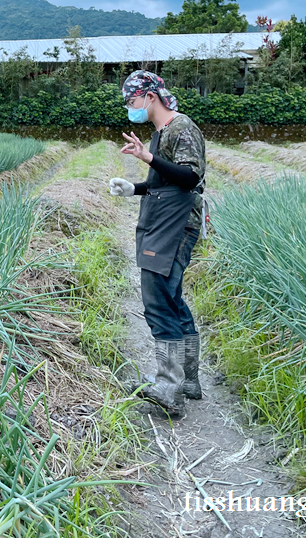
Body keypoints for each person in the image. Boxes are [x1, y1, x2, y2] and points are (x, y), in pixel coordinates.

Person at [108, 70, 206, 416]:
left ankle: (169, 387)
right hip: (165, 221)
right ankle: (187, 382)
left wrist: (147, 158)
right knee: (171, 298)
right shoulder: (160, 133)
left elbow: (191, 176)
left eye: (132, 101)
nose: (129, 108)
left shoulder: (182, 128)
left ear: (150, 97)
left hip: (177, 225)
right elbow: (163, 182)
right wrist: (133, 188)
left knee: (157, 299)